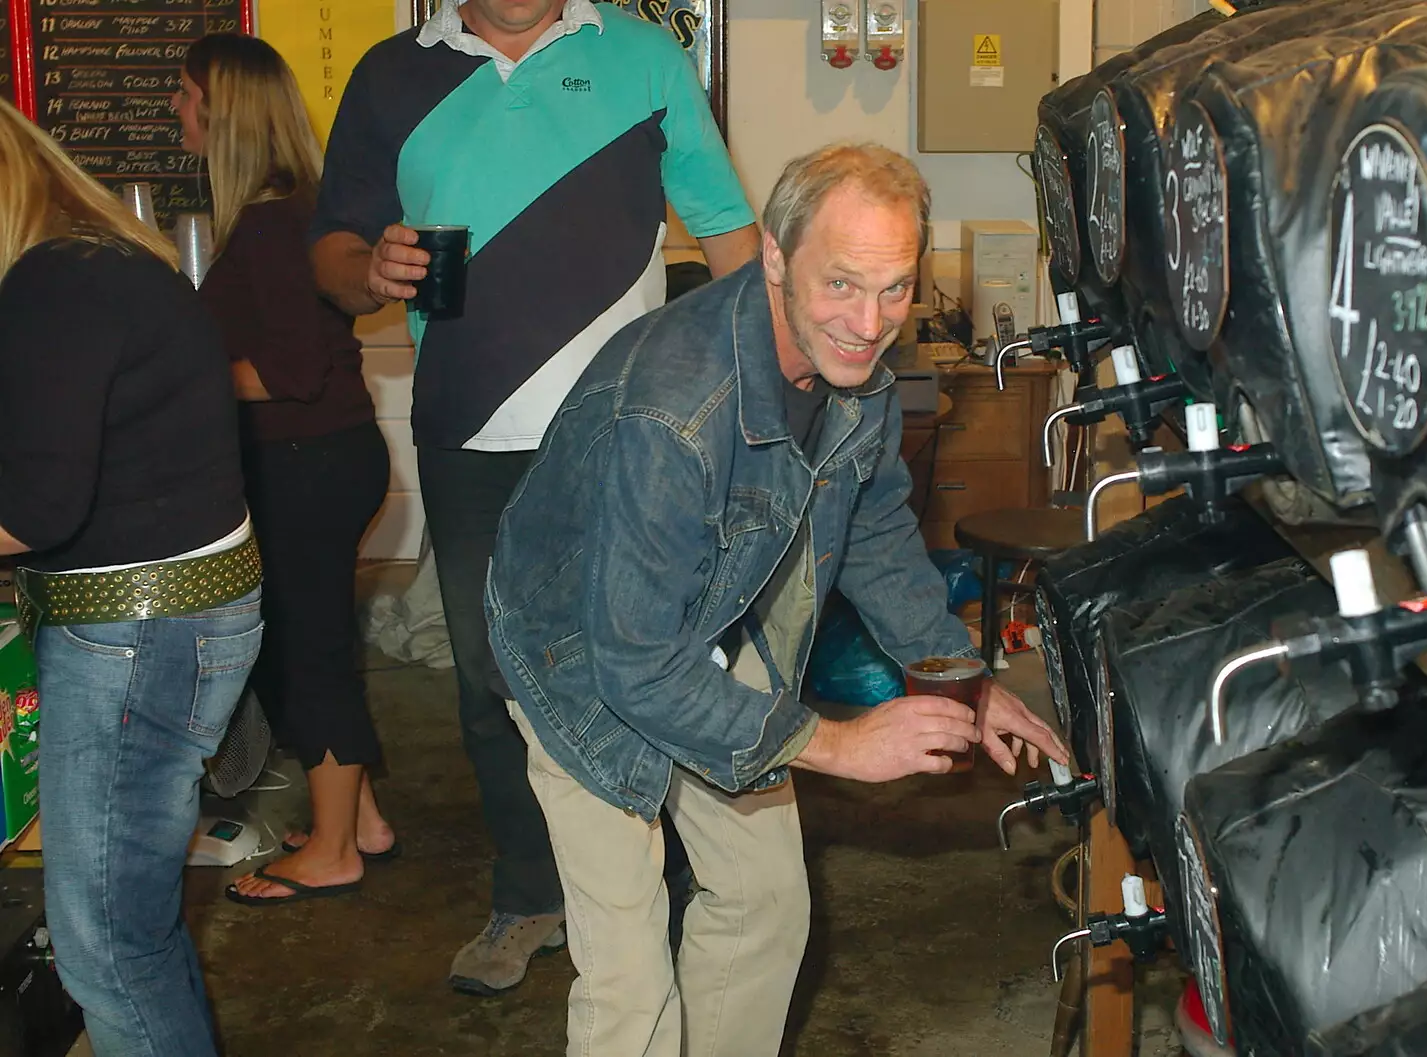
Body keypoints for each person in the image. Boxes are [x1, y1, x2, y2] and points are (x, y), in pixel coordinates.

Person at [485, 143, 1071, 1057]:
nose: (870, 322)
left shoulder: (860, 378)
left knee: (763, 902)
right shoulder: (673, 412)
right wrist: (836, 742)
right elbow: (636, 662)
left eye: (894, 289)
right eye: (842, 283)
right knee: (631, 981)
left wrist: (964, 676)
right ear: (773, 256)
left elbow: (876, 532)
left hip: (710, 612)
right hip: (578, 659)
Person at [308, 0, 760, 994]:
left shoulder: (645, 58)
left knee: (642, 666)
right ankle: (529, 893)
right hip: (467, 438)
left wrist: (771, 391)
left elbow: (728, 232)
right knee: (489, 678)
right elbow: (331, 252)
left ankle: (665, 887)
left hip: (629, 438)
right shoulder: (391, 74)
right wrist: (368, 267)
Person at [0, 98, 262, 1056]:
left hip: (137, 636)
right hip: (170, 617)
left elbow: (34, 507)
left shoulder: (53, 285)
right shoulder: (90, 260)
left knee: (106, 948)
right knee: (133, 932)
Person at [169, 33, 398, 906]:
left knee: (310, 653)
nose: (176, 111)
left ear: (222, 109)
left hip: (307, 461)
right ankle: (361, 822)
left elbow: (293, 374)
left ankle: (335, 848)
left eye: (186, 94)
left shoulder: (271, 220)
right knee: (297, 646)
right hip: (317, 461)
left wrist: (179, 381)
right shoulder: (289, 212)